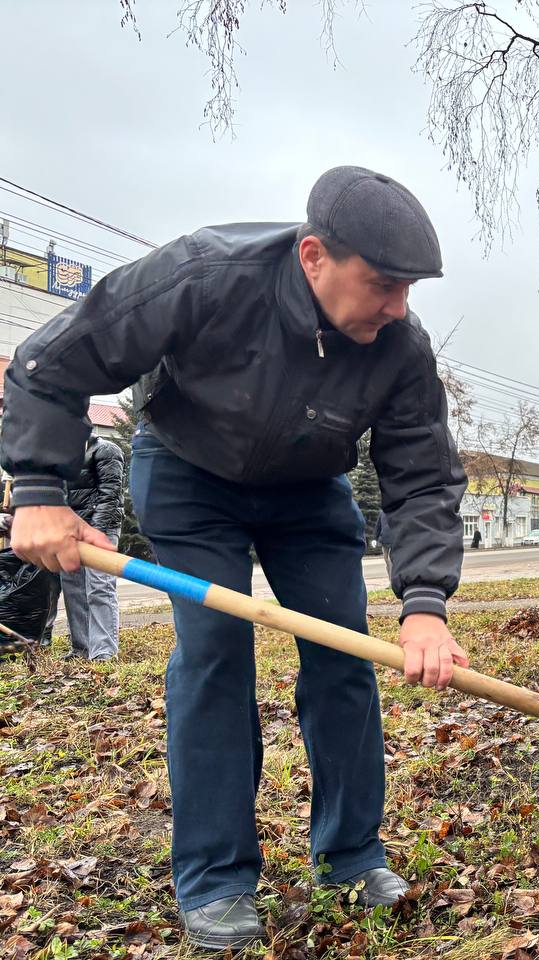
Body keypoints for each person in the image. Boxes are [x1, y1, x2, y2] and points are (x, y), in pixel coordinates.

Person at [0, 166, 469, 950]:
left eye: (408, 291)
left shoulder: (400, 348)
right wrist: (39, 489)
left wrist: (424, 603)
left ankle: (352, 855)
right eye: (384, 284)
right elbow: (53, 362)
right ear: (314, 255)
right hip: (188, 476)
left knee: (343, 651)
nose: (397, 308)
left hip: (308, 493)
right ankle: (216, 877)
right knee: (216, 654)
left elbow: (423, 475)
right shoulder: (205, 275)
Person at [44, 431, 125, 660]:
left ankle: (103, 652)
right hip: (70, 533)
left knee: (100, 588)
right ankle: (81, 648)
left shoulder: (106, 450)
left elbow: (111, 495)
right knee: (73, 588)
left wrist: (95, 531)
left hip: (101, 529)